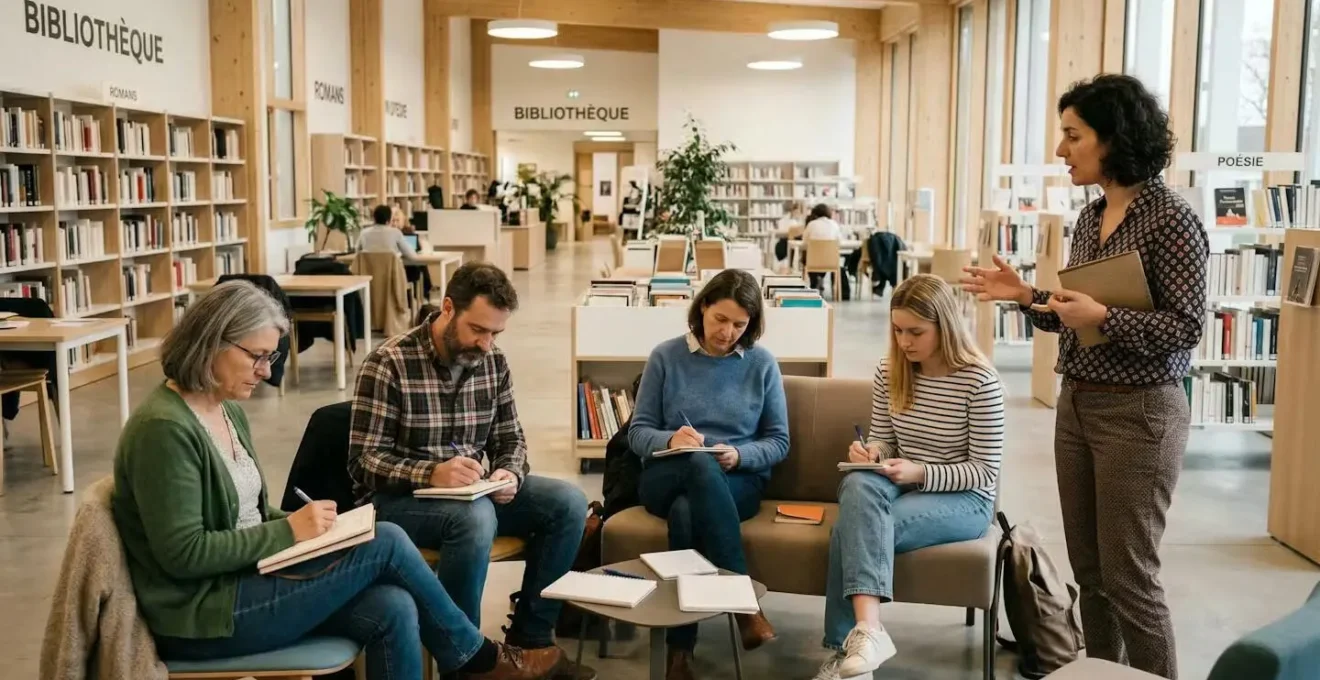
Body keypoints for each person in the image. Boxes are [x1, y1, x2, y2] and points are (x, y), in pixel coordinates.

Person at [111, 280, 556, 680]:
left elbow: (246, 511)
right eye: (259, 356)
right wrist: (288, 530)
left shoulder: (224, 410)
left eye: (272, 356)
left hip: (246, 581)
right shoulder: (163, 430)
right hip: (203, 615)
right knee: (386, 540)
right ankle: (477, 660)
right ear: (211, 343)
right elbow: (183, 555)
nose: (268, 371)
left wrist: (306, 524)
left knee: (395, 606)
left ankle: (473, 659)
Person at [960, 74, 1207, 680]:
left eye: (1073, 135)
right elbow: (1077, 320)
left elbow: (1187, 327)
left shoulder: (1171, 219)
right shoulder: (1089, 217)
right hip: (1077, 406)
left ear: (1113, 138)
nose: (1061, 149)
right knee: (1091, 578)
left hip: (1140, 413)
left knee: (1132, 581)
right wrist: (1029, 296)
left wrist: (1105, 315)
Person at [348, 262, 593, 679]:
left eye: (496, 333)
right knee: (475, 519)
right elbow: (363, 461)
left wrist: (509, 475)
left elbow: (511, 441)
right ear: (448, 308)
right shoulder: (388, 362)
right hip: (398, 503)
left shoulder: (493, 362)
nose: (486, 343)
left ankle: (529, 640)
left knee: (568, 502)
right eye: (478, 329)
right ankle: (465, 662)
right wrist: (430, 473)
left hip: (472, 492)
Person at [812, 274, 1003, 680]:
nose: (904, 342)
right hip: (901, 480)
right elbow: (884, 437)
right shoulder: (891, 370)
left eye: (916, 331)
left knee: (853, 528)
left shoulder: (980, 382)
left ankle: (848, 651)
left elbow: (985, 470)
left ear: (945, 326)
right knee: (858, 482)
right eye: (897, 330)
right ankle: (868, 634)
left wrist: (921, 471)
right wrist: (873, 452)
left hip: (966, 499)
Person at [627, 268, 788, 680]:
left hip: (737, 481)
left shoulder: (762, 364)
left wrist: (740, 454)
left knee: (686, 514)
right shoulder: (666, 356)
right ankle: (743, 605)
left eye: (740, 324)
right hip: (665, 475)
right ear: (701, 309)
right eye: (720, 319)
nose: (727, 332)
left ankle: (680, 653)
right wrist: (670, 442)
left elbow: (778, 441)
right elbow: (638, 432)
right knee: (696, 465)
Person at [360, 204, 431, 298]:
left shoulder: (364, 233)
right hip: (391, 279)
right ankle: (422, 296)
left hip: (370, 278)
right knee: (415, 270)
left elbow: (358, 253)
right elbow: (412, 256)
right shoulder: (395, 233)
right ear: (389, 220)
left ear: (374, 218)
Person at [802, 204, 851, 300]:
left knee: (806, 257)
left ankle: (814, 282)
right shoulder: (834, 224)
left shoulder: (811, 224)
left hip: (813, 262)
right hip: (831, 262)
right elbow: (839, 241)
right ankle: (839, 292)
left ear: (814, 214)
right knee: (839, 266)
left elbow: (804, 242)